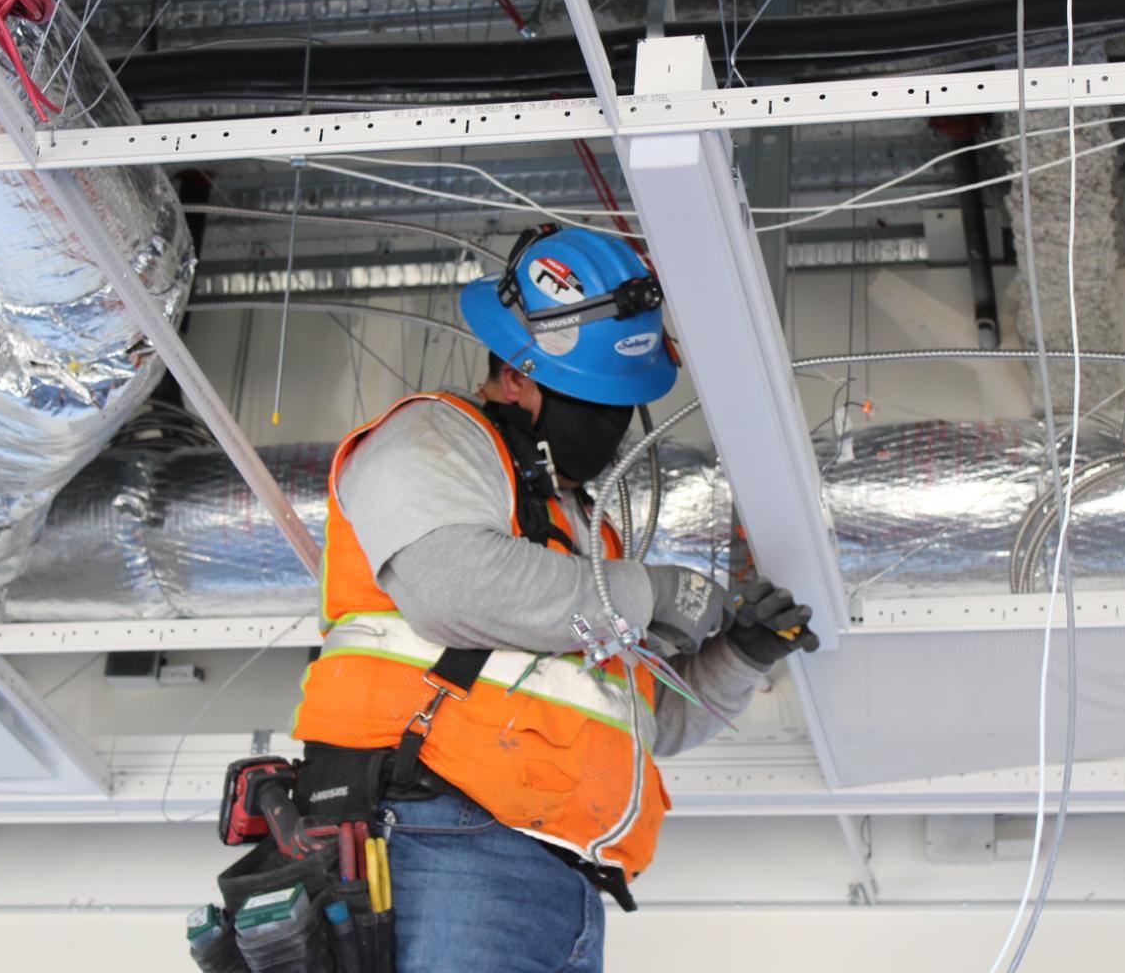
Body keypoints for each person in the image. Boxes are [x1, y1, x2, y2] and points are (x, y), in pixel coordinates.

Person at [289, 225, 819, 972]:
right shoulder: (437, 438)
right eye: (590, 401)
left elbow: (646, 719)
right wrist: (653, 590)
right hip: (439, 839)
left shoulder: (578, 536)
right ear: (516, 375)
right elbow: (450, 586)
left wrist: (741, 655)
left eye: (620, 404)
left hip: (562, 880)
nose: (608, 425)